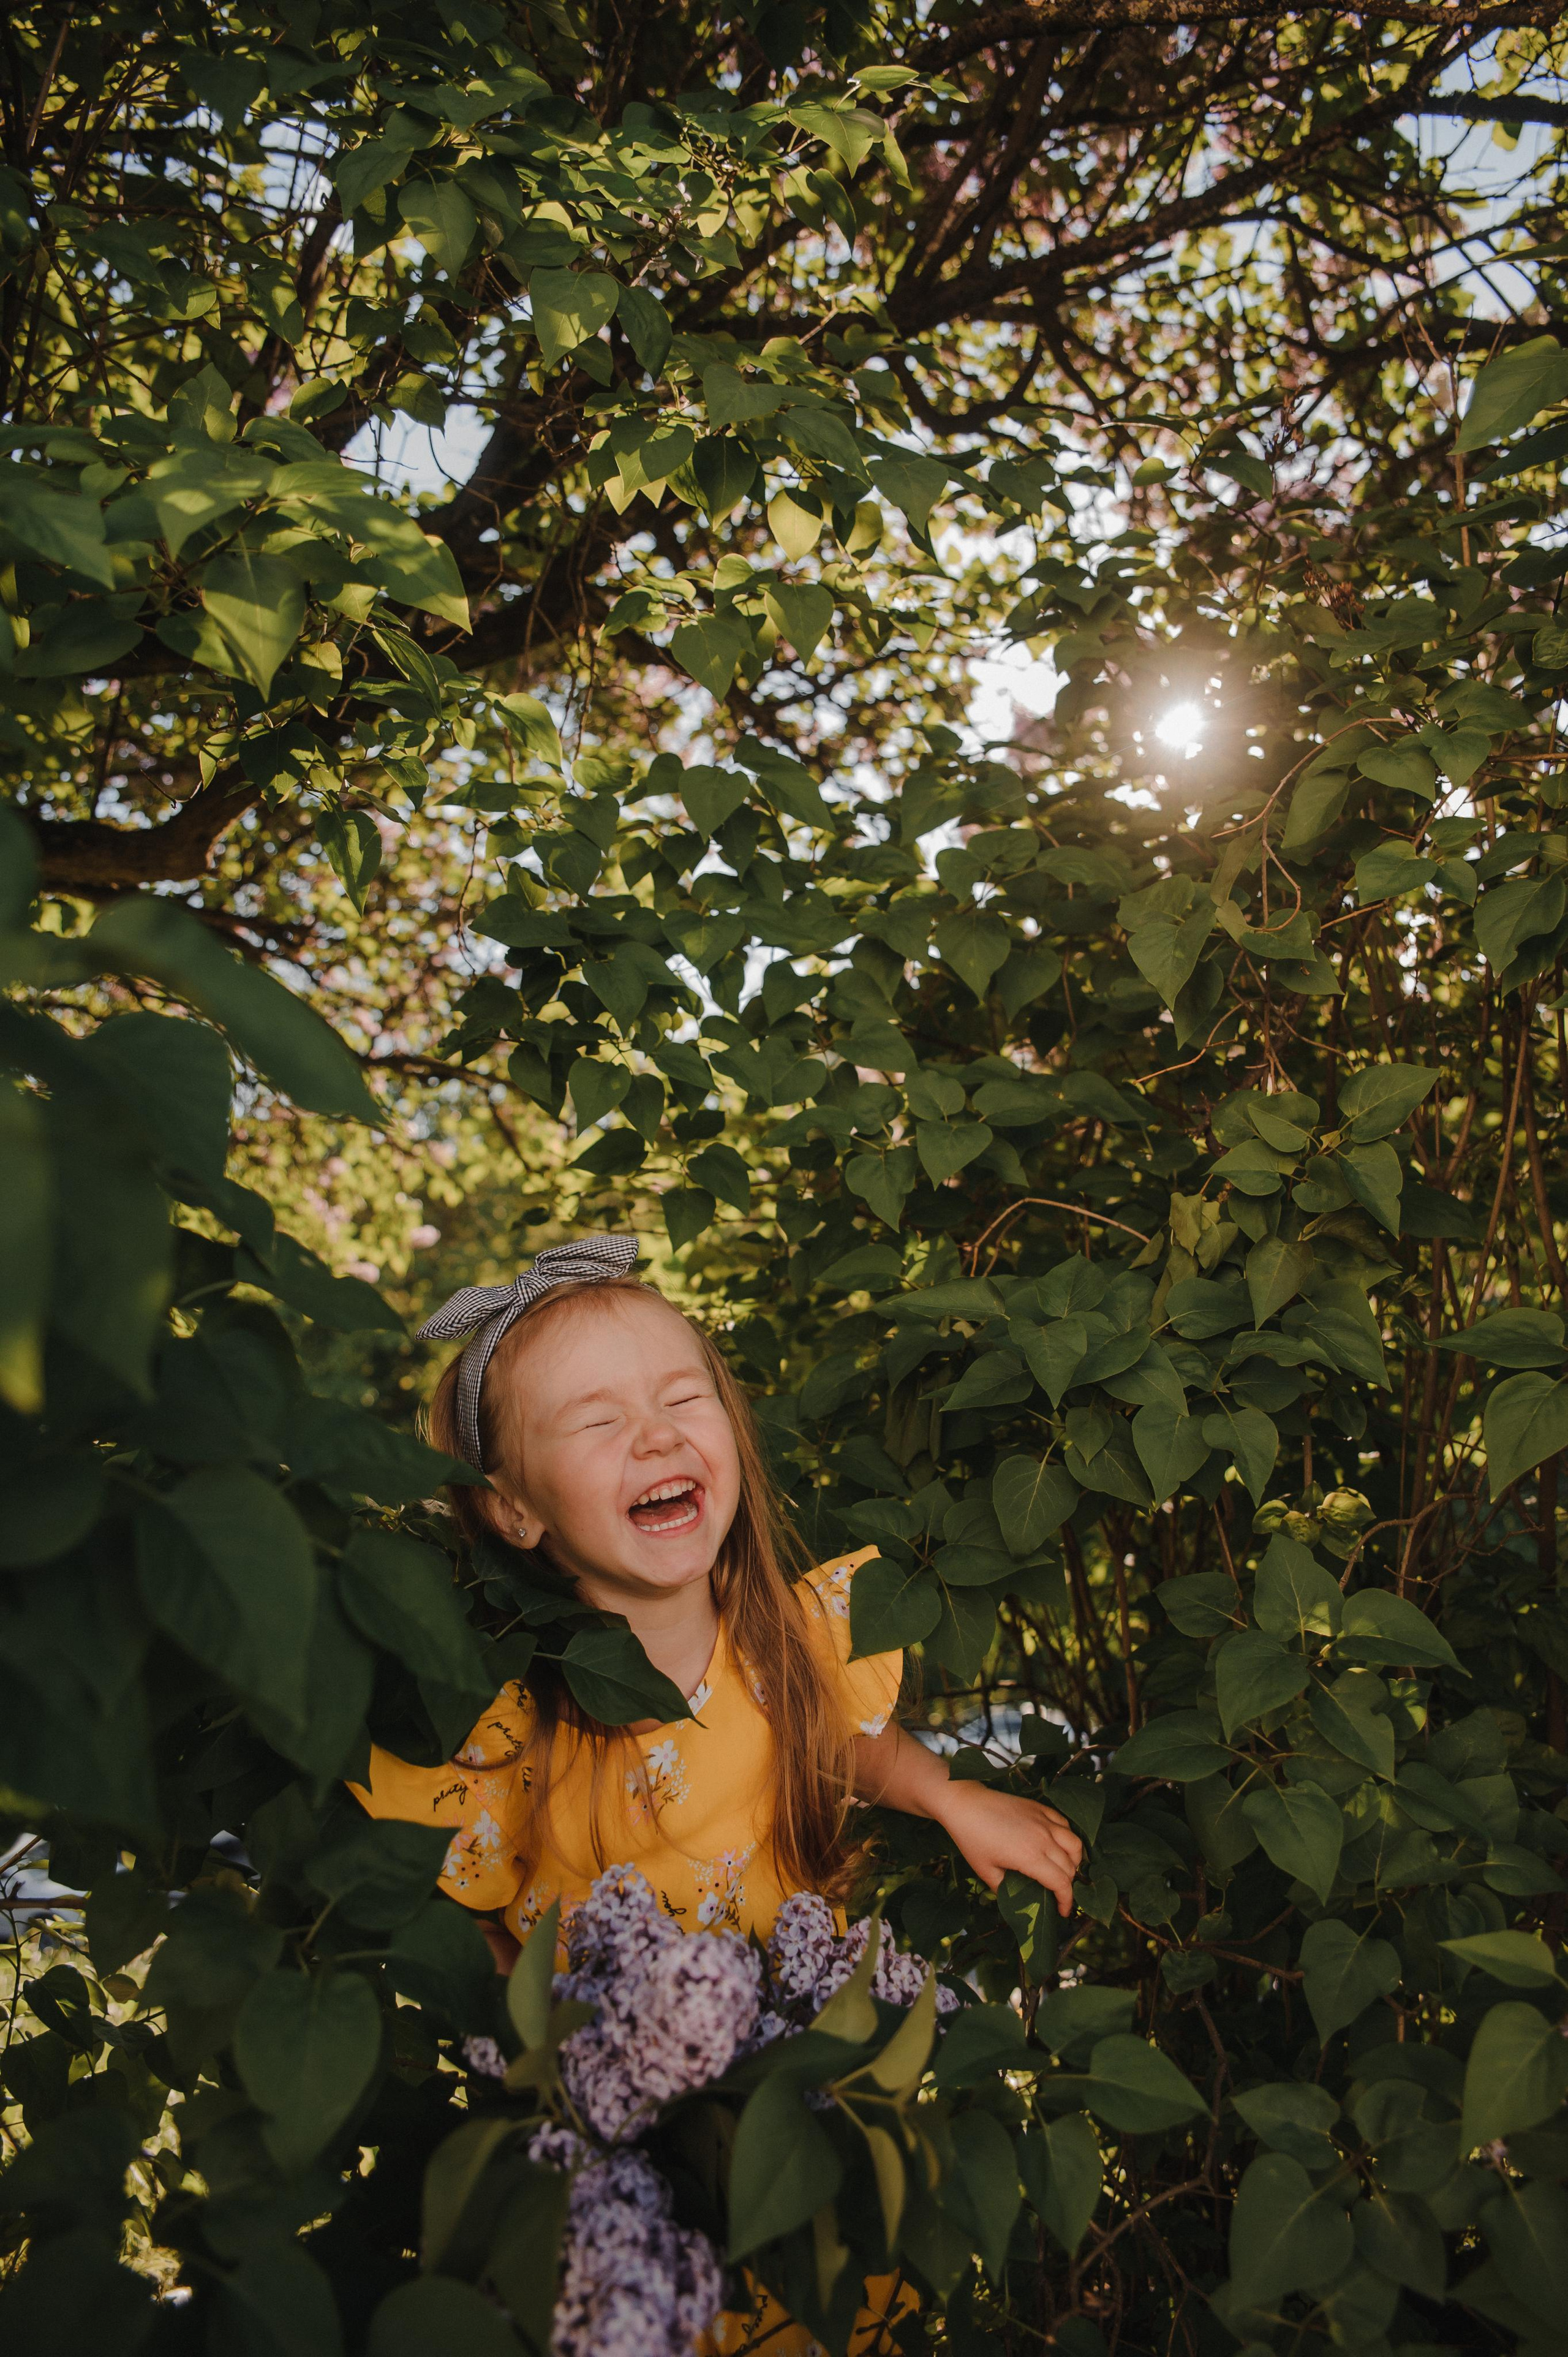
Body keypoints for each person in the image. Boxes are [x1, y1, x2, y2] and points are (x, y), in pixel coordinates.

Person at [352, 1233, 1083, 2350]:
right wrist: (548, 2050)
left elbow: (843, 1745)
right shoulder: (520, 1733)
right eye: (596, 1422)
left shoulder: (781, 1651)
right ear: (513, 1511)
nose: (655, 1433)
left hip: (808, 2121)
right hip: (642, 2186)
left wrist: (946, 1796)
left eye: (682, 1396)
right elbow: (470, 1922)